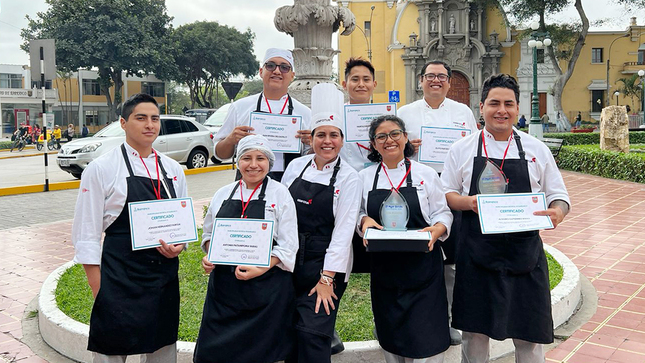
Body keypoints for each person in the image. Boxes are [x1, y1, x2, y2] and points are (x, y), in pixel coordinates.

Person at [441, 74, 570, 363]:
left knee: (529, 334)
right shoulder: (461, 149)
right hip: (477, 255)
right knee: (475, 333)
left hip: (524, 255)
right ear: (481, 106)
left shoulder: (536, 149)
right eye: (494, 103)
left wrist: (557, 212)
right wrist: (469, 202)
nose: (501, 110)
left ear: (518, 109)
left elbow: (559, 195)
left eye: (508, 104)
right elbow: (447, 194)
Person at [71, 93, 188, 363]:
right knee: (112, 348)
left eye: (155, 119)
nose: (150, 125)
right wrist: (98, 288)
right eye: (141, 118)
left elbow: (180, 223)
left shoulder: (172, 169)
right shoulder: (101, 168)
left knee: (162, 344)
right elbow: (86, 233)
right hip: (119, 275)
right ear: (123, 123)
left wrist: (179, 246)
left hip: (163, 276)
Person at [194, 134, 298, 363]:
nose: (253, 165)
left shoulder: (280, 194)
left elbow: (289, 244)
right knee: (216, 354)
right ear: (237, 162)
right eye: (246, 158)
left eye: (260, 158)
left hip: (266, 290)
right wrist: (211, 256)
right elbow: (210, 235)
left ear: (269, 163)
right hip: (224, 293)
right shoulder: (223, 193)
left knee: (262, 355)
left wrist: (261, 268)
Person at [359, 115, 453, 363]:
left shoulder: (426, 173)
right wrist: (363, 221)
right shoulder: (364, 177)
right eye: (381, 136)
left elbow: (442, 212)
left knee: (427, 337)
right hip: (385, 268)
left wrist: (437, 229)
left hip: (423, 267)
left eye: (394, 134)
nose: (388, 140)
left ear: (405, 138)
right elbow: (356, 212)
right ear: (373, 144)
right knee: (392, 335)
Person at [398, 59, 478, 345]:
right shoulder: (405, 113)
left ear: (448, 81)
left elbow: (473, 150)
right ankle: (404, 319)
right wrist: (408, 148)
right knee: (414, 257)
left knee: (451, 264)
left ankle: (448, 321)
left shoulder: (462, 112)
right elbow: (392, 148)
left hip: (452, 191)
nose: (436, 81)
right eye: (430, 76)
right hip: (415, 191)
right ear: (420, 81)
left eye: (441, 76)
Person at [282, 84, 361, 363]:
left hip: (325, 264)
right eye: (321, 135)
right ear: (311, 138)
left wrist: (327, 279)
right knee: (289, 332)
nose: (327, 141)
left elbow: (343, 233)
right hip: (290, 261)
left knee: (313, 335)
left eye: (334, 135)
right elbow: (280, 216)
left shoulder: (349, 178)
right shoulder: (295, 168)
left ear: (342, 140)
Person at [213, 48, 312, 181]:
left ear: (292, 75)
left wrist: (313, 144)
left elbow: (310, 157)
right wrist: (231, 139)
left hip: (291, 183)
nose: (277, 71)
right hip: (248, 185)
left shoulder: (304, 113)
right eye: (270, 65)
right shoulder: (239, 107)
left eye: (284, 67)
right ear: (261, 71)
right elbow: (220, 154)